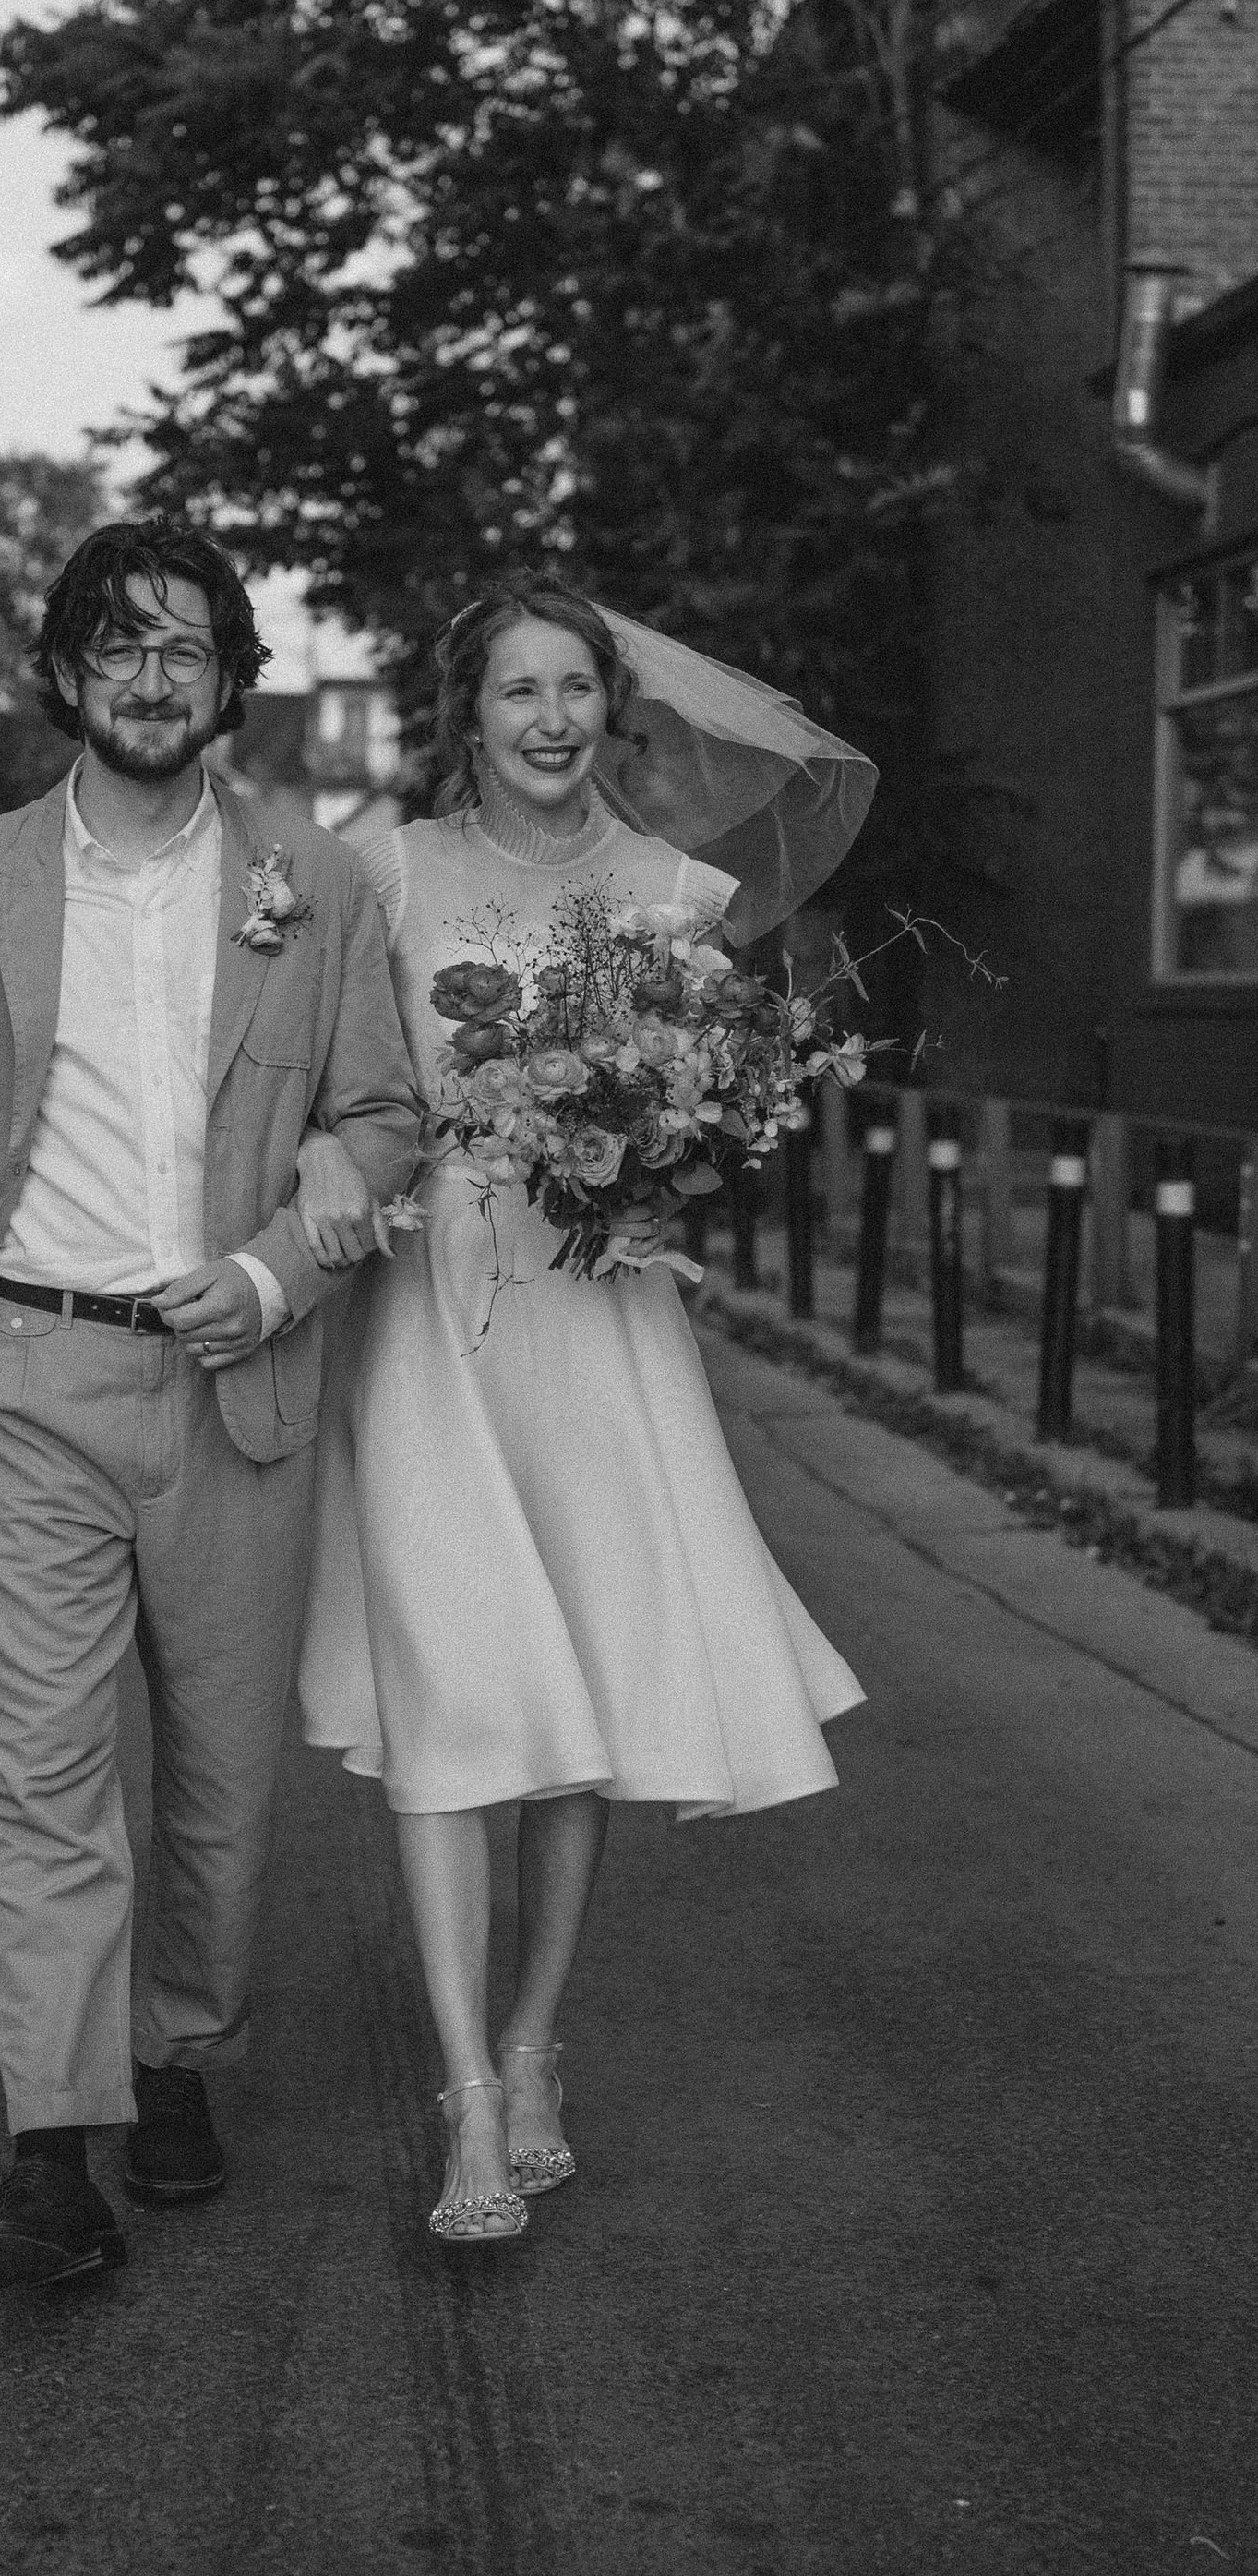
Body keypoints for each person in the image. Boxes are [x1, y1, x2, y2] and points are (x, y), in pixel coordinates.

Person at [0, 516, 417, 2293]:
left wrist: (285, 1265)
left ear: (231, 682)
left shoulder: (319, 883)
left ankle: (178, 2053)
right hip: (23, 1374)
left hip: (238, 1377)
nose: (155, 676)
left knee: (217, 1778)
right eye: (119, 646)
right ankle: (50, 2147)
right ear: (65, 677)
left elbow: (382, 1119)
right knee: (44, 1767)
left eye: (189, 647)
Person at [292, 576, 869, 2245]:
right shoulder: (384, 873)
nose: (546, 719)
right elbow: (339, 1073)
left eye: (571, 691)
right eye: (513, 692)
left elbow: (718, 1117)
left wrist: (680, 1139)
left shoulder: (677, 895)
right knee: (458, 1677)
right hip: (431, 1314)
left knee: (578, 1690)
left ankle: (538, 2037)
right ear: (466, 715)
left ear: (607, 710)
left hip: (601, 1309)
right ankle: (467, 2088)